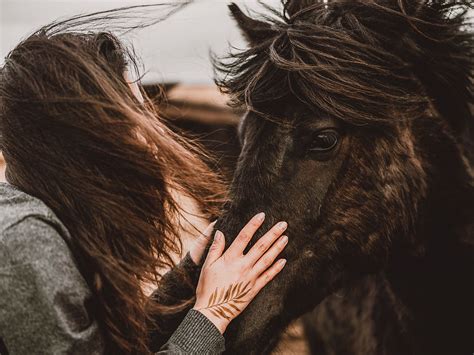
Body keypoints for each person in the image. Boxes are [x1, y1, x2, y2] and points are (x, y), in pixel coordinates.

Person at [0, 7, 288, 355]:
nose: (150, 137)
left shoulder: (39, 212)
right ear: (88, 136)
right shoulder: (26, 243)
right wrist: (213, 314)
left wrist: (185, 277)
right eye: (134, 114)